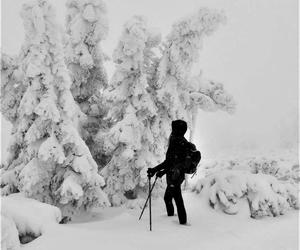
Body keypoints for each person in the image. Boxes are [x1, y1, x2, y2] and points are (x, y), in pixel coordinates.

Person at [147, 119, 196, 225]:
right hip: (176, 175)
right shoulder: (181, 141)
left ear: (176, 129)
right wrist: (161, 172)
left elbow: (169, 162)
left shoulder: (177, 142)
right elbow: (173, 162)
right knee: (168, 197)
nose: (172, 130)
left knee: (178, 200)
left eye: (173, 128)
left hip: (175, 177)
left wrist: (155, 170)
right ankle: (171, 218)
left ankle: (182, 224)